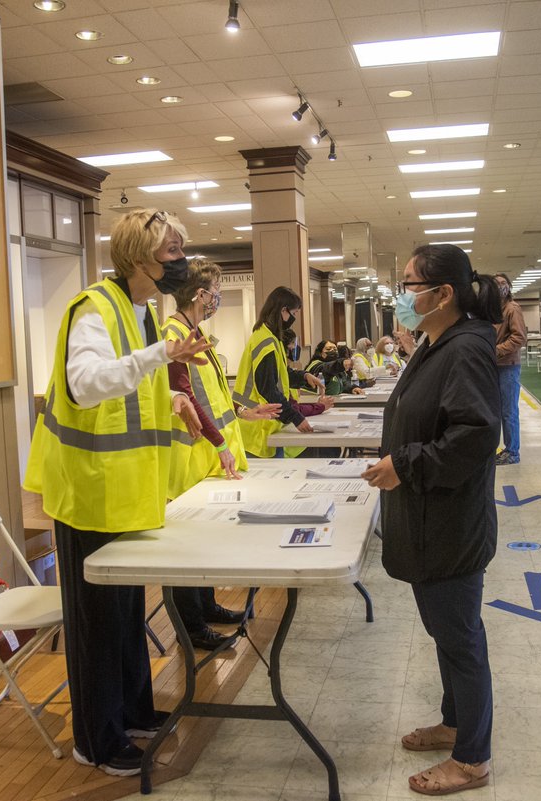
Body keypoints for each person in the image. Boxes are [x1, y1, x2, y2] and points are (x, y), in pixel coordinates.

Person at [24, 208, 213, 776]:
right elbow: (85, 388)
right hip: (88, 491)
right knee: (97, 622)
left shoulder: (140, 312)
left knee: (128, 612)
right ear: (138, 257)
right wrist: (162, 358)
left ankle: (133, 709)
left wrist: (173, 400)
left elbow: (133, 390)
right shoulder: (93, 308)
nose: (180, 260)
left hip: (126, 492)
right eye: (172, 251)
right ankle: (96, 739)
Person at [361, 244, 500, 796]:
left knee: (461, 638)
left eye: (410, 283)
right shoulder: (436, 342)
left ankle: (473, 759)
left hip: (449, 523)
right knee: (446, 634)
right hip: (428, 520)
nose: (402, 293)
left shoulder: (465, 349)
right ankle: (455, 721)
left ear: (443, 293)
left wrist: (405, 463)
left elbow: (474, 436)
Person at [163, 258, 281, 649]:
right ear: (199, 295)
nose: (217, 300)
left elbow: (214, 392)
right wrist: (218, 443)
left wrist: (246, 412)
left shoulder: (194, 331)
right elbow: (189, 397)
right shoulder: (175, 334)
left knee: (203, 541)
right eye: (215, 293)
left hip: (210, 453)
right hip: (191, 456)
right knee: (186, 547)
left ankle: (208, 606)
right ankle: (190, 627)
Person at [232, 286, 325, 457]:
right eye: (294, 313)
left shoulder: (268, 337)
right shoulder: (266, 342)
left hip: (260, 424)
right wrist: (296, 418)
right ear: (283, 311)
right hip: (257, 426)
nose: (294, 318)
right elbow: (268, 389)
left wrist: (304, 376)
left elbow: (281, 374)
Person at [493, 273, 526, 465]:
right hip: (494, 366)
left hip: (508, 366)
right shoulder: (494, 310)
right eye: (496, 284)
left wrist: (495, 350)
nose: (500, 286)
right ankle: (503, 449)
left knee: (509, 411)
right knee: (497, 410)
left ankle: (513, 452)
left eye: (503, 283)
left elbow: (519, 338)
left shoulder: (512, 309)